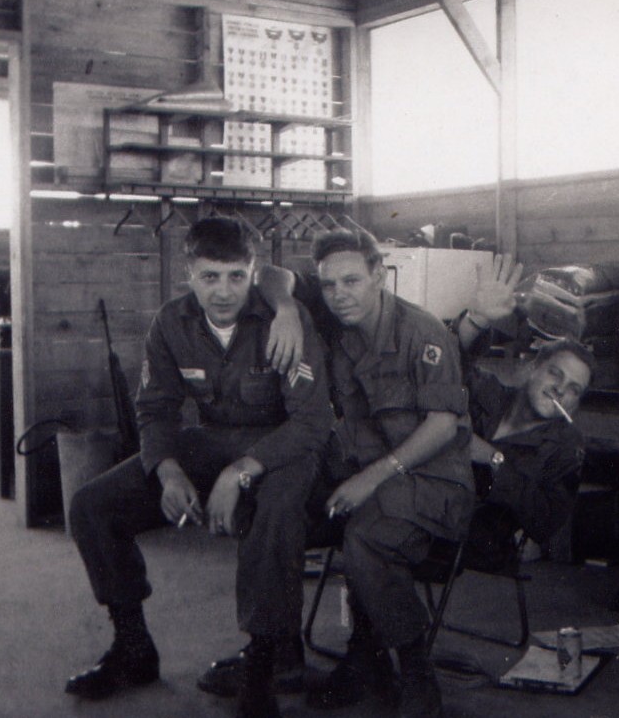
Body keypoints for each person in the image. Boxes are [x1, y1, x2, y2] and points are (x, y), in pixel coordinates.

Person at [64, 217, 332, 718]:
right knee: (92, 506)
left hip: (284, 448)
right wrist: (167, 469)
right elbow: (155, 408)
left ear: (253, 272)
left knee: (274, 509)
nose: (223, 292)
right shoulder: (171, 323)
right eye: (210, 277)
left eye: (236, 276)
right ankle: (132, 648)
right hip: (210, 442)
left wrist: (240, 472)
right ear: (188, 274)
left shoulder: (282, 318)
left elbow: (312, 422)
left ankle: (264, 665)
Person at [259, 228, 472, 718]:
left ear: (379, 275)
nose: (339, 295)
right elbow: (269, 275)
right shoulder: (336, 316)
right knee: (277, 506)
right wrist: (287, 309)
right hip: (362, 472)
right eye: (328, 285)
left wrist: (370, 479)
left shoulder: (423, 333)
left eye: (352, 281)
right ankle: (279, 653)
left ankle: (414, 671)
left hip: (433, 480)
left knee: (365, 537)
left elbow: (442, 426)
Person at [455, 254, 591, 569]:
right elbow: (446, 367)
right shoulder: (489, 392)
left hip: (474, 536)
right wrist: (476, 320)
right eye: (555, 374)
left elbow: (545, 522)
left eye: (574, 389)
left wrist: (494, 459)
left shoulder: (566, 448)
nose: (560, 389)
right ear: (532, 368)